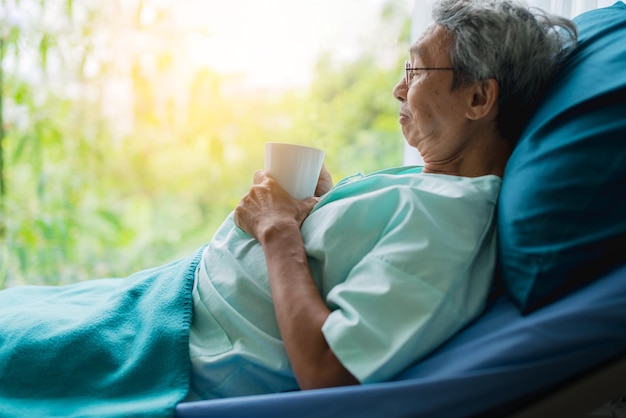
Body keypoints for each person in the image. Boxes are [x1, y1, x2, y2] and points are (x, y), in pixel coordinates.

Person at [0, 0, 577, 415]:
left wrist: (278, 229)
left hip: (177, 348)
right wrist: (321, 208)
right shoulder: (430, 187)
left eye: (417, 71)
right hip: (165, 303)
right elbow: (349, 261)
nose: (399, 91)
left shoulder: (451, 219)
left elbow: (327, 370)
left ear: (479, 97)